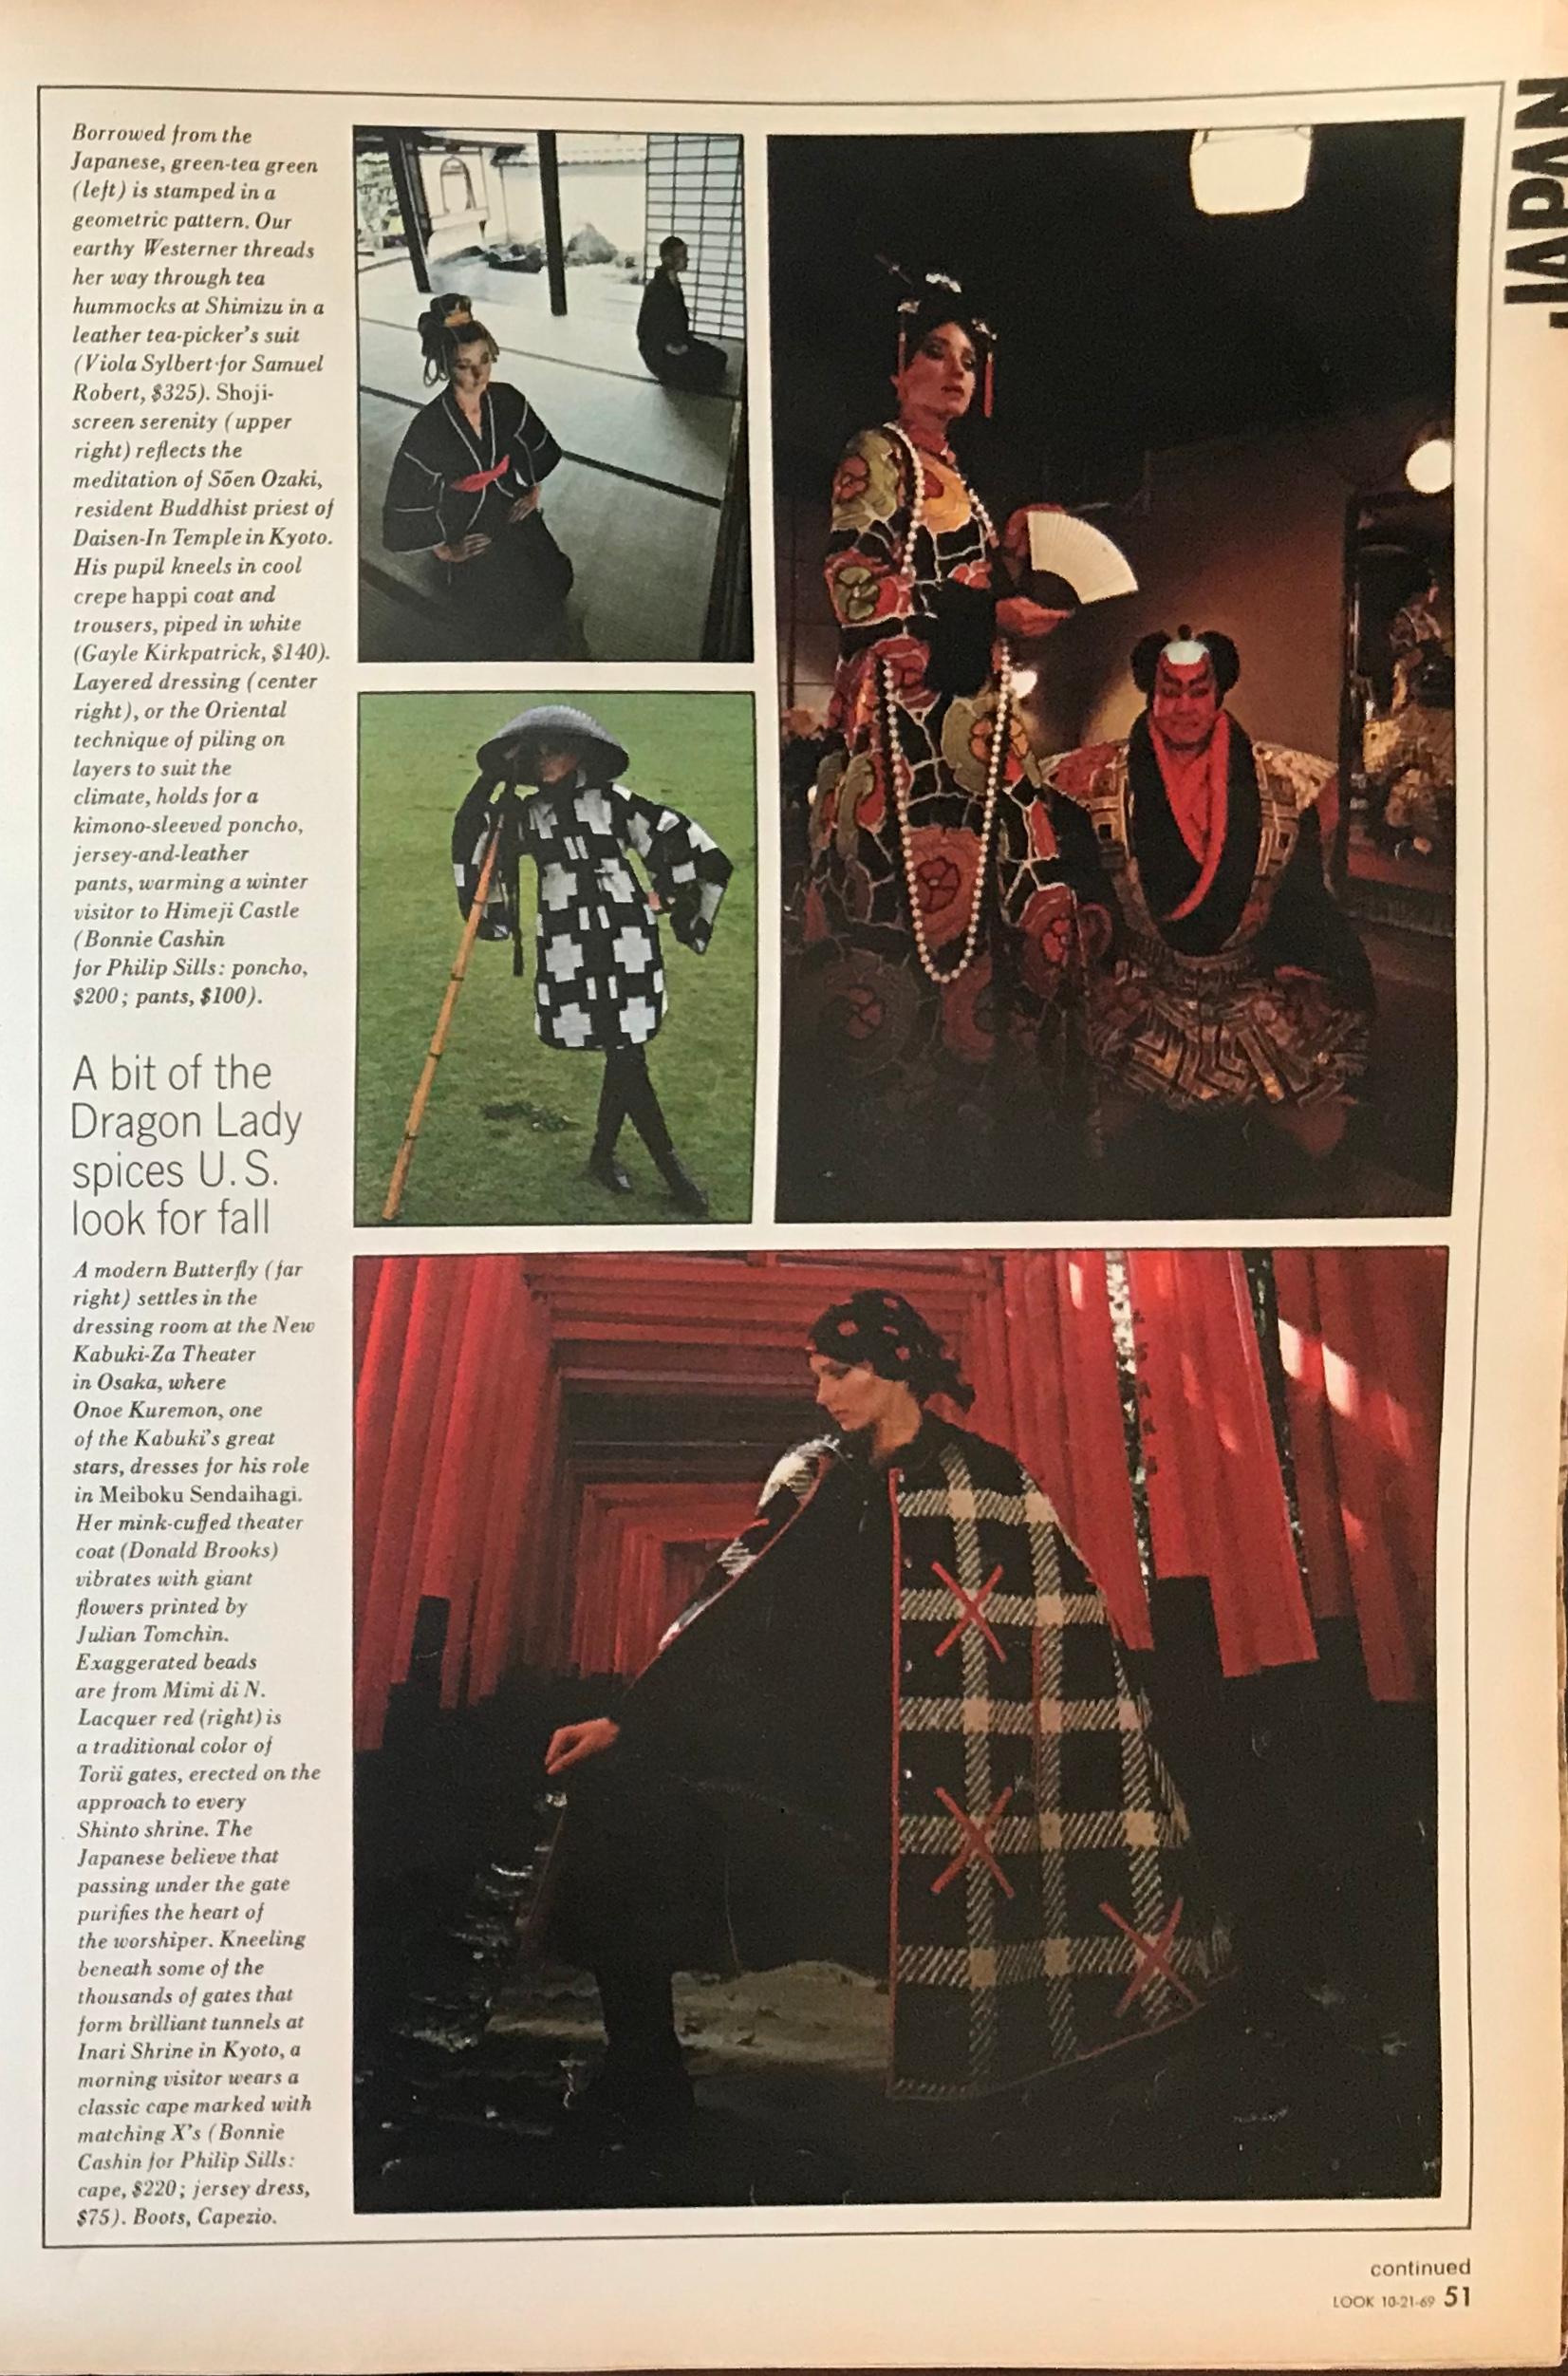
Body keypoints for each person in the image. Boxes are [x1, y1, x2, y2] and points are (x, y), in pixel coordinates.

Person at [534, 1290, 1225, 2122]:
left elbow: (1065, 1631)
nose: (821, 1394)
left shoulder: (992, 1485)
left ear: (894, 1368)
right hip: (800, 1782)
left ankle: (1009, 2093)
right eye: (815, 1374)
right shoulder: (810, 1475)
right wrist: (630, 1721)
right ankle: (644, 2070)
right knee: (615, 1796)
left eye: (837, 1372)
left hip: (945, 1794)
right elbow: (731, 1617)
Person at [787, 271, 1089, 1219]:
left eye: (967, 362)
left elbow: (972, 605)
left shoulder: (962, 478)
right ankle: (885, 1159)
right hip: (902, 722)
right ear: (897, 368)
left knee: (1015, 914)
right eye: (934, 354)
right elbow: (850, 579)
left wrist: (1019, 586)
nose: (952, 373)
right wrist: (980, 604)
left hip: (977, 725)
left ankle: (988, 1148)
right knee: (898, 932)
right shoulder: (877, 453)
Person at [1038, 629, 1374, 1196]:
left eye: (1199, 691)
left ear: (1219, 693)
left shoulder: (1288, 781)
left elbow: (1300, 894)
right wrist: (1093, 925)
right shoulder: (1089, 782)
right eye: (1171, 691)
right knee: (1100, 1137)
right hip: (1141, 981)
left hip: (1249, 983)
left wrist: (1302, 961)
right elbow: (1081, 877)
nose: (1186, 707)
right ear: (1151, 694)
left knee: (1305, 1132)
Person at [447, 704, 731, 1214]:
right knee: (622, 1051)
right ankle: (623, 1161)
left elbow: (685, 842)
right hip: (568, 945)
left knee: (625, 1050)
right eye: (534, 754)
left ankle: (661, 1170)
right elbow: (471, 834)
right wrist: (492, 778)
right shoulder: (527, 814)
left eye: (552, 750)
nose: (542, 761)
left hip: (626, 941)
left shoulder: (615, 804)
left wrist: (663, 898)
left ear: (579, 754)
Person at [382, 314, 575, 658]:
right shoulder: (430, 425)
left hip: (504, 495)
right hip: (462, 514)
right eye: (464, 365)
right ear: (445, 368)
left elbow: (533, 443)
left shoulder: (506, 399)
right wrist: (445, 548)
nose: (478, 374)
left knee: (554, 576)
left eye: (484, 360)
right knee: (499, 612)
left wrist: (531, 490)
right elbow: (409, 491)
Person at [634, 234, 725, 394]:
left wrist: (683, 343)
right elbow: (644, 330)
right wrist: (668, 346)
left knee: (719, 357)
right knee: (710, 375)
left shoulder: (672, 281)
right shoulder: (656, 288)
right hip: (660, 353)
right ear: (668, 259)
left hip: (678, 343)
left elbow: (677, 320)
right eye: (683, 255)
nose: (687, 260)